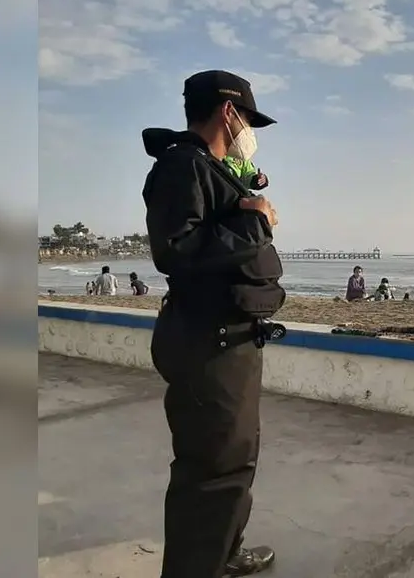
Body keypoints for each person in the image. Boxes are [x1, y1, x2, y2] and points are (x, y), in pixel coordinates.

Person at [141, 69, 285, 578]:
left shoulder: (212, 167)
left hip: (233, 340)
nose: (250, 132)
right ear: (228, 111)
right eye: (247, 119)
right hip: (208, 341)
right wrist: (256, 221)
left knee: (235, 458)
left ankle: (223, 554)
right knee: (210, 469)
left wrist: (247, 200)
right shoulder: (181, 166)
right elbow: (175, 250)